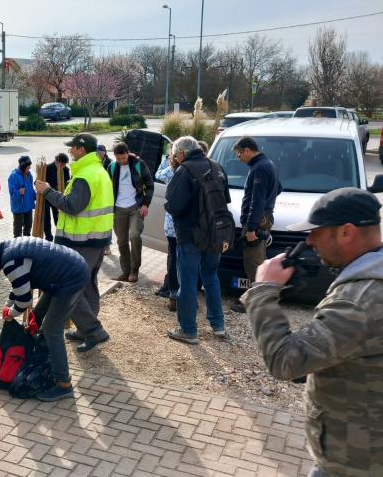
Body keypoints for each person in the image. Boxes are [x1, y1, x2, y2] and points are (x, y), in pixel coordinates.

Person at [242, 188, 383, 477]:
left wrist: (263, 290)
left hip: (354, 463)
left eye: (316, 232)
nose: (309, 240)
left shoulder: (359, 301)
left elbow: (285, 361)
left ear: (346, 232)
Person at [0, 236, 90, 402]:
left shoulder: (10, 262)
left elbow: (24, 301)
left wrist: (11, 313)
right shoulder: (8, 249)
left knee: (51, 329)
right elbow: (19, 286)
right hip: (65, 273)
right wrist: (7, 306)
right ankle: (42, 359)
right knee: (38, 315)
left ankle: (64, 384)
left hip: (70, 278)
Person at [34, 133, 113, 352]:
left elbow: (72, 206)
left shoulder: (85, 175)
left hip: (81, 241)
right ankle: (84, 330)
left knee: (69, 287)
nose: (69, 151)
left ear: (81, 149)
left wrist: (47, 191)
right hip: (96, 239)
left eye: (73, 148)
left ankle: (94, 331)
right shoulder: (99, 171)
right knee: (87, 285)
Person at [164, 136, 230, 344]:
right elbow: (225, 199)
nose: (174, 158)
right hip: (215, 233)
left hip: (190, 235)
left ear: (181, 152)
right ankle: (218, 325)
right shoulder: (217, 166)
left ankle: (188, 330)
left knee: (188, 281)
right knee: (211, 277)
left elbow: (174, 205)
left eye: (175, 155)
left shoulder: (184, 171)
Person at [230, 135, 281, 313]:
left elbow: (256, 201)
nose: (239, 159)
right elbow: (278, 188)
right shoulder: (269, 164)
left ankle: (259, 303)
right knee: (259, 260)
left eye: (239, 155)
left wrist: (251, 228)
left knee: (253, 264)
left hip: (258, 222)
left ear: (247, 150)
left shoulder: (259, 168)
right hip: (265, 219)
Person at [109, 142, 154, 283]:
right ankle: (125, 271)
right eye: (118, 159)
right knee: (121, 241)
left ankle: (135, 269)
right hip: (118, 208)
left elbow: (150, 184)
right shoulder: (112, 167)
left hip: (136, 206)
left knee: (134, 235)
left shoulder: (139, 164)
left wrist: (145, 204)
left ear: (128, 153)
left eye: (124, 158)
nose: (122, 161)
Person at [154, 155, 179, 311]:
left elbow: (158, 174)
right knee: (184, 259)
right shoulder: (191, 171)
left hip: (171, 223)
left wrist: (165, 158)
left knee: (172, 258)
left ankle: (172, 293)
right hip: (186, 224)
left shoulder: (171, 171)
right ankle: (179, 293)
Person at [43, 153, 71, 242]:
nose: (63, 166)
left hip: (58, 199)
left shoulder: (65, 170)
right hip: (46, 199)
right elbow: (37, 182)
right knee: (46, 220)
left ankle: (59, 238)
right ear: (57, 161)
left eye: (64, 165)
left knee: (58, 219)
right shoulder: (46, 168)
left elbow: (68, 184)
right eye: (62, 164)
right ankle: (48, 238)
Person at [9, 155, 36, 238]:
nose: (30, 168)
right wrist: (18, 192)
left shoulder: (29, 175)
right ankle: (17, 247)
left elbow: (31, 189)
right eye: (28, 166)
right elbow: (12, 192)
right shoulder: (13, 176)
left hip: (28, 206)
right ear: (23, 166)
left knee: (28, 228)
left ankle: (26, 245)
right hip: (18, 208)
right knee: (17, 231)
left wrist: (36, 196)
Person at [97, 144, 112, 254]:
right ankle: (98, 244)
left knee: (107, 222)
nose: (98, 155)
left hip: (107, 196)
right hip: (97, 196)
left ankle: (107, 245)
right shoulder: (93, 163)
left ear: (104, 154)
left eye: (100, 153)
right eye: (97, 153)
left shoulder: (110, 164)